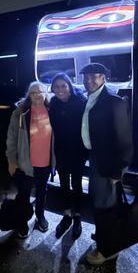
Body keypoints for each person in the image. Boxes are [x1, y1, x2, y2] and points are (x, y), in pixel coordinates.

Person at [79, 63, 134, 265]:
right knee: (99, 203)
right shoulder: (89, 99)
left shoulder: (113, 102)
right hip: (95, 159)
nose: (88, 81)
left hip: (108, 165)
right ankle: (104, 237)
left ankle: (107, 250)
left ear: (103, 78)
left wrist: (118, 171)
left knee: (106, 206)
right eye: (85, 77)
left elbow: (125, 141)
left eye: (94, 77)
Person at [6, 81, 55, 238]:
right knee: (24, 193)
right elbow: (11, 138)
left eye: (40, 92)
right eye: (33, 93)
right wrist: (11, 160)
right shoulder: (20, 113)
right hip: (25, 162)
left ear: (46, 93)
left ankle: (40, 215)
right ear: (28, 95)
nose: (37, 95)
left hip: (45, 162)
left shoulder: (52, 110)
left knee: (42, 191)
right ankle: (22, 220)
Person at [49, 73, 87, 240]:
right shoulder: (54, 104)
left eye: (63, 86)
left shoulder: (81, 102)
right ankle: (66, 216)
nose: (60, 89)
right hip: (61, 151)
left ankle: (77, 217)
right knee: (64, 184)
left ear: (70, 86)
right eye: (56, 87)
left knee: (77, 185)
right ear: (52, 89)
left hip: (78, 151)